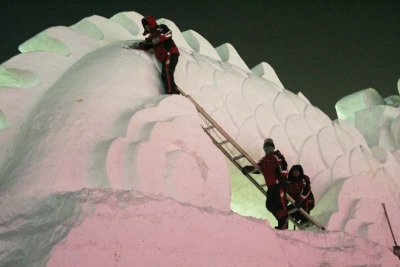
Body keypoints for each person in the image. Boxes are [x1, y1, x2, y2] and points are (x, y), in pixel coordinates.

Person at [242, 138, 289, 230]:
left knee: (278, 204)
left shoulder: (277, 156)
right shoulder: (263, 160)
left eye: (269, 146)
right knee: (270, 205)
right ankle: (282, 222)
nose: (267, 148)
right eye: (266, 146)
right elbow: (258, 168)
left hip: (278, 183)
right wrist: (248, 169)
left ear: (273, 147)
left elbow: (283, 166)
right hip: (271, 185)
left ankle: (283, 224)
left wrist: (284, 179)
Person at [128, 16, 180, 95]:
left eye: (147, 25)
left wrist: (158, 38)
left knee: (167, 71)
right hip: (165, 58)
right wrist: (135, 46)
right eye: (145, 27)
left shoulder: (161, 28)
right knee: (163, 76)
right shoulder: (151, 37)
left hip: (170, 53)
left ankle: (170, 94)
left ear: (151, 24)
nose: (147, 27)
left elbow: (168, 34)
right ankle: (174, 90)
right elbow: (146, 45)